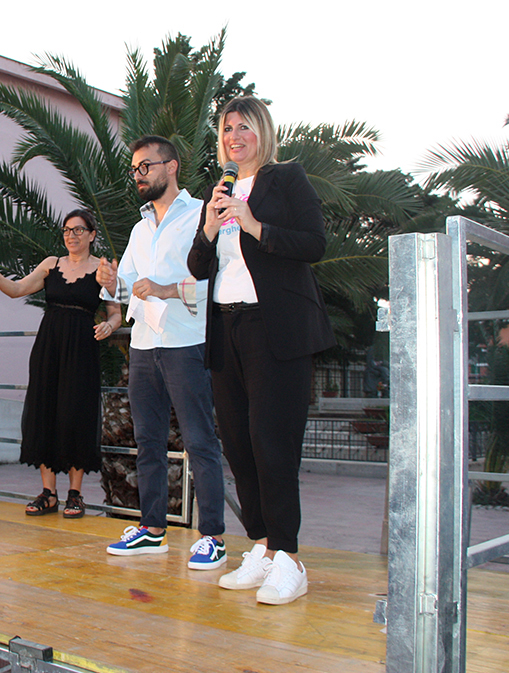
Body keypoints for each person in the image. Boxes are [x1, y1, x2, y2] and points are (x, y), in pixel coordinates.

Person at [187, 97, 335, 605]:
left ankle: (289, 557)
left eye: (244, 126)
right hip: (225, 326)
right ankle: (262, 547)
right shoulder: (218, 193)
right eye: (227, 128)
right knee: (238, 444)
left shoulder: (286, 179)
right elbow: (197, 267)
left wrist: (253, 225)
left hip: (274, 328)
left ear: (262, 132)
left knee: (271, 442)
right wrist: (210, 227)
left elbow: (314, 244)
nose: (234, 136)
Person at [96, 136, 228, 570]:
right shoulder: (139, 229)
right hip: (142, 344)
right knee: (147, 441)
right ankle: (152, 530)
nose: (138, 175)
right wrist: (111, 282)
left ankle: (213, 537)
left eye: (145, 166)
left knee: (199, 440)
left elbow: (215, 280)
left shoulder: (201, 214)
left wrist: (166, 289)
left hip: (185, 342)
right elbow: (126, 287)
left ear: (171, 167)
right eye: (134, 169)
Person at [0, 210, 122, 518]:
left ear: (92, 235)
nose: (72, 235)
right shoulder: (51, 264)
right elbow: (17, 290)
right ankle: (49, 493)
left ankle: (75, 494)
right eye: (67, 230)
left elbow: (115, 312)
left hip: (82, 350)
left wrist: (109, 326)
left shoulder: (102, 269)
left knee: (76, 415)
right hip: (48, 348)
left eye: (79, 230)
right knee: (45, 412)